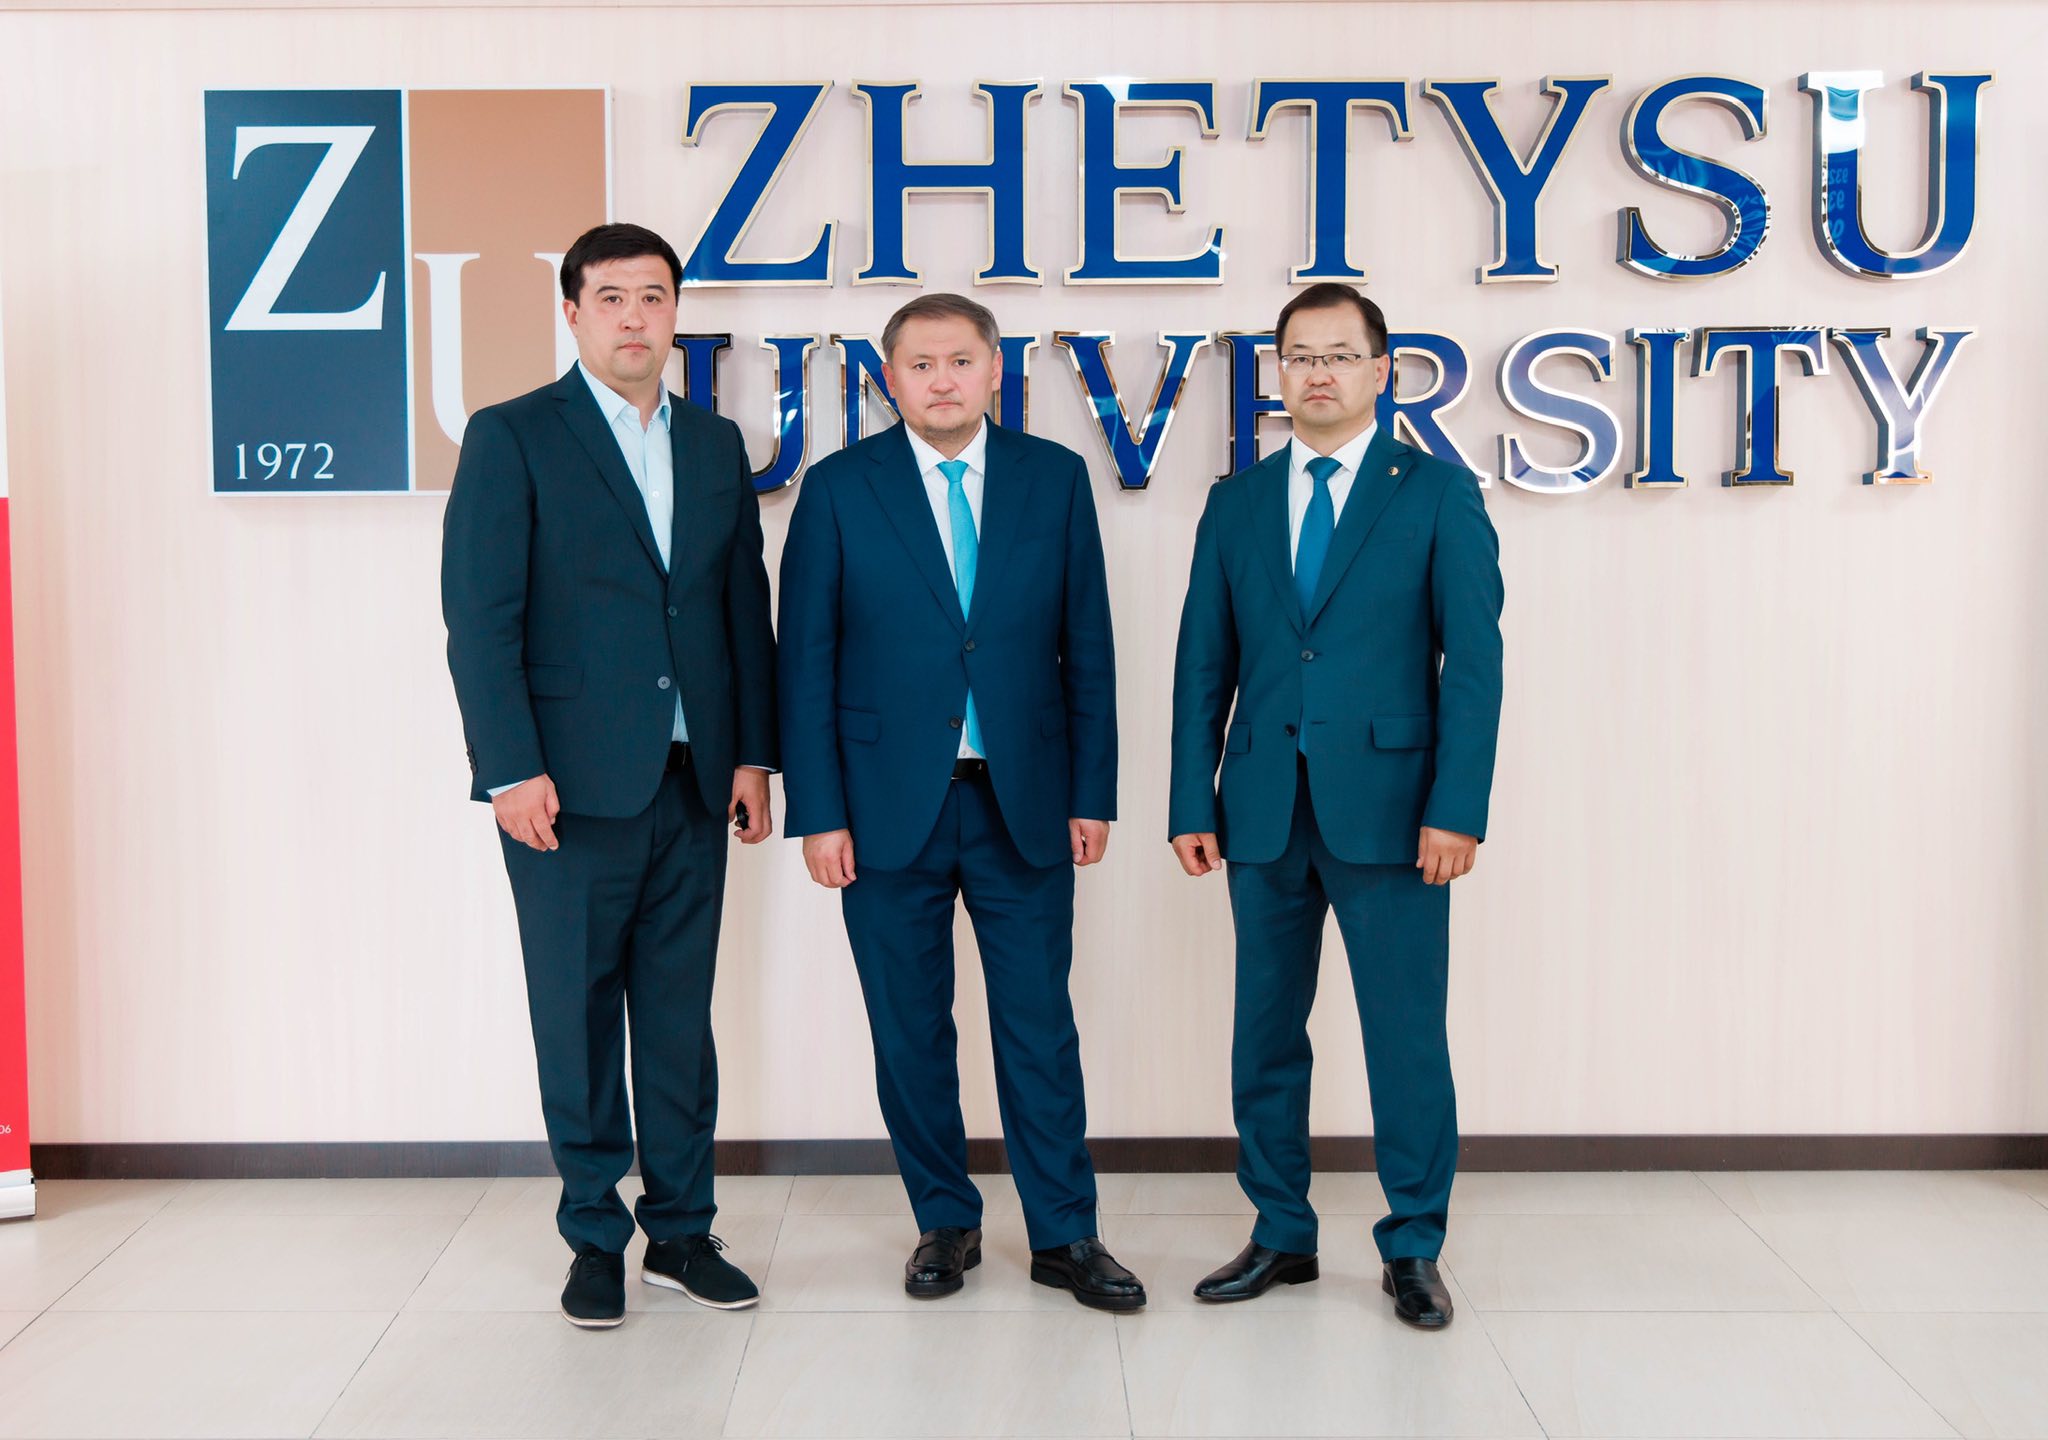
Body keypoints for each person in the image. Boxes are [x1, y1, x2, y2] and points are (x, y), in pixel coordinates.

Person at [776, 293, 1143, 1311]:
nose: (941, 380)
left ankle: (1065, 1233)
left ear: (992, 370)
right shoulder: (839, 489)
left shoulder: (1052, 479)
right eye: (920, 364)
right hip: (882, 811)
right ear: (889, 378)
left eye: (960, 361)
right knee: (909, 1030)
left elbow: (1088, 647)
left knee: (1039, 1027)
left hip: (1024, 803)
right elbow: (803, 663)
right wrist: (819, 813)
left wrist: (1093, 791)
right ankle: (944, 1219)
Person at [441, 222, 777, 1329]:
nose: (636, 317)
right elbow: (480, 620)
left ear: (676, 312)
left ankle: (680, 1231)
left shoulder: (715, 445)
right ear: (573, 312)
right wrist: (510, 769)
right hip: (566, 790)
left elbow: (741, 611)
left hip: (695, 780)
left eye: (655, 297)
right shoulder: (513, 435)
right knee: (577, 1017)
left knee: (679, 1021)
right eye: (613, 297)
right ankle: (593, 1235)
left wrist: (751, 753)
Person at [1168, 282, 1503, 1327]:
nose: (1318, 373)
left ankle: (1413, 1244)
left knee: (1404, 1037)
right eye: (1300, 357)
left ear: (1380, 370)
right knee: (1265, 1033)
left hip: (1396, 815)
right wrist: (1190, 800)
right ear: (1278, 373)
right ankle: (1280, 1230)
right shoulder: (1235, 502)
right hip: (1262, 808)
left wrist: (1457, 808)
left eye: (1339, 355)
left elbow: (1473, 665)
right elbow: (1202, 665)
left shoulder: (1435, 493)